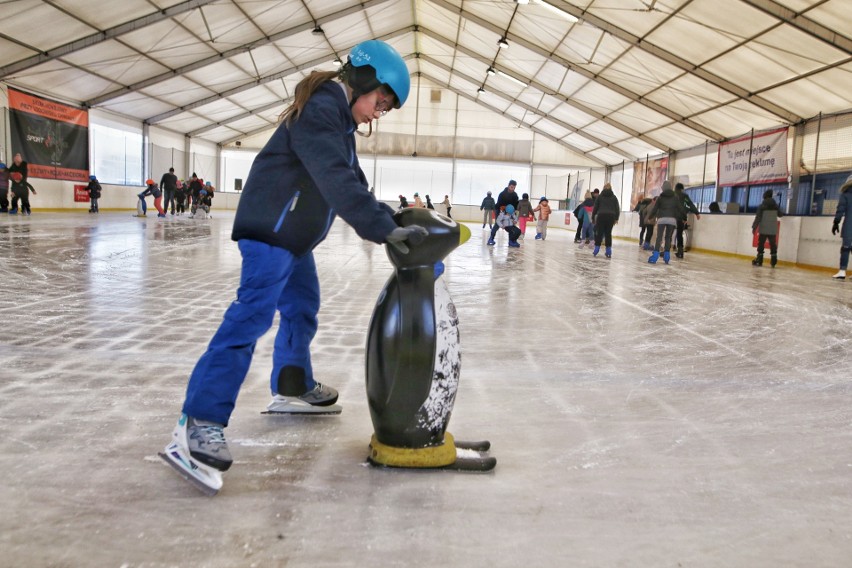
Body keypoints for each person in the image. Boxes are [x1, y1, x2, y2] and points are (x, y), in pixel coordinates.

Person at [160, 39, 425, 493]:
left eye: (387, 108)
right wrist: (380, 229)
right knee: (250, 317)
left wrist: (391, 217)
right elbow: (334, 178)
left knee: (303, 306)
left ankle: (291, 383)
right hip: (271, 235)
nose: (379, 112)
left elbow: (353, 178)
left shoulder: (337, 121)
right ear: (363, 79)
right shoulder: (322, 110)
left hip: (292, 239)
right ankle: (198, 421)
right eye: (381, 100)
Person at [647, 180, 686, 264]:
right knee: (668, 238)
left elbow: (655, 209)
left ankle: (655, 255)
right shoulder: (675, 197)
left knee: (659, 237)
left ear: (663, 188)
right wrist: (684, 218)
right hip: (672, 220)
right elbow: (680, 208)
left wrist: (650, 217)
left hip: (661, 219)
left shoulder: (660, 197)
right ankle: (667, 256)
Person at [751, 189, 783, 267]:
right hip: (772, 227)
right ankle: (773, 260)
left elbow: (758, 217)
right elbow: (780, 214)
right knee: (773, 244)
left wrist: (754, 227)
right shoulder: (775, 206)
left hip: (764, 227)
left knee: (761, 243)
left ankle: (760, 259)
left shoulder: (762, 206)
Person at [831, 174, 852, 280]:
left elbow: (840, 209)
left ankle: (842, 271)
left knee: (846, 248)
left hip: (849, 226)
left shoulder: (846, 194)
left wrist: (836, 222)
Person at [592, 182, 619, 258]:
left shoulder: (600, 197)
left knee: (599, 233)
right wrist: (616, 218)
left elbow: (595, 207)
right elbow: (617, 208)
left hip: (601, 216)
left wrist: (593, 216)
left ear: (603, 188)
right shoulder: (614, 197)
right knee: (608, 233)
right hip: (611, 217)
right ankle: (608, 250)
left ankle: (596, 249)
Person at [487, 180, 519, 245]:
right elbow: (499, 204)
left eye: (514, 188)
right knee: (497, 224)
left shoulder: (515, 195)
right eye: (511, 187)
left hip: (509, 211)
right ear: (508, 185)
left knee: (511, 226)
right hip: (499, 210)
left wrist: (513, 215)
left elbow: (515, 206)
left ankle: (511, 241)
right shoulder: (502, 194)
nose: (512, 189)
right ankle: (491, 239)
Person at [674, 182, 700, 258]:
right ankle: (680, 251)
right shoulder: (684, 196)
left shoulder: (672, 195)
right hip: (681, 218)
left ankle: (666, 250)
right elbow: (690, 204)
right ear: (682, 189)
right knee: (679, 234)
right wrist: (697, 213)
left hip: (671, 216)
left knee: (669, 233)